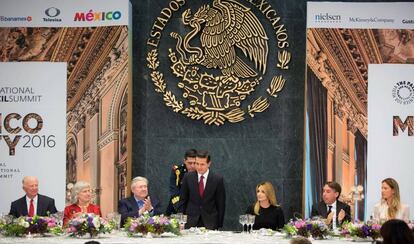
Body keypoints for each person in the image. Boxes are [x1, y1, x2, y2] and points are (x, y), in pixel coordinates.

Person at [179, 150, 226, 230]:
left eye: (202, 164)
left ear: (209, 164)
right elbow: (183, 201)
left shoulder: (217, 179)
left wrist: (219, 224)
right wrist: (181, 221)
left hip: (210, 223)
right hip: (190, 222)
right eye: (197, 164)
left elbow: (221, 204)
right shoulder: (188, 177)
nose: (199, 167)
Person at [166, 149, 197, 216]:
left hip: (195, 211)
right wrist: (181, 210)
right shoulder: (177, 171)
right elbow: (174, 192)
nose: (192, 166)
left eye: (195, 163)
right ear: (184, 161)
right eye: (190, 163)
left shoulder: (201, 172)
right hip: (177, 208)